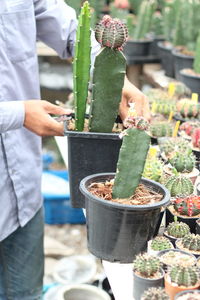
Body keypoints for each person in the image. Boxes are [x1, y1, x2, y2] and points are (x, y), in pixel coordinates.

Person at [0, 0, 150, 299]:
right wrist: (16, 114)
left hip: (24, 192)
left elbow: (70, 29)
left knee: (25, 293)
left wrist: (111, 69)